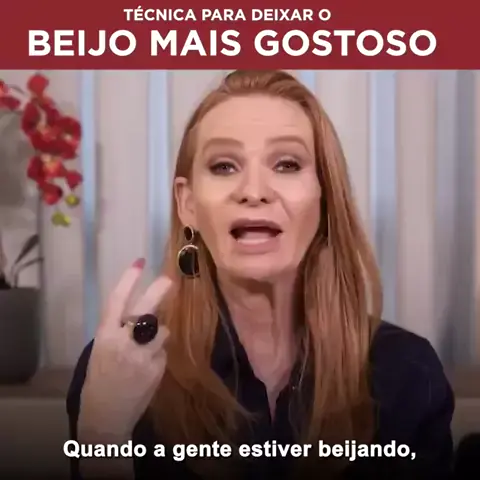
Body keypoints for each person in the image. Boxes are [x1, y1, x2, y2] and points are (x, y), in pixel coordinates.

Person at [67, 70, 454, 480]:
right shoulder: (118, 367)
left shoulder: (407, 370)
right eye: (224, 166)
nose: (253, 191)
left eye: (287, 164)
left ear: (325, 198)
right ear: (188, 204)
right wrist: (103, 435)